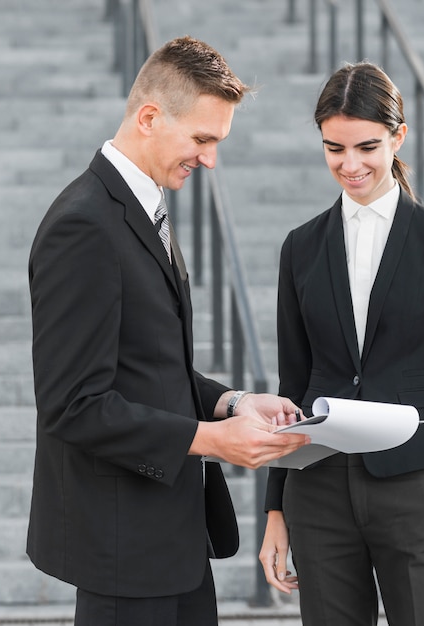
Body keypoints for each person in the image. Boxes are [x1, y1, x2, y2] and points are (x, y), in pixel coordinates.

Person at [26, 35, 309, 626]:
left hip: (172, 545)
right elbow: (74, 405)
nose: (209, 160)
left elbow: (150, 365)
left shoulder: (141, 206)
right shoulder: (83, 225)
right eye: (202, 139)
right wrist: (211, 440)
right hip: (123, 552)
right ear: (150, 118)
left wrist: (232, 403)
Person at [259, 62, 424, 626]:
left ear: (398, 137)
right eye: (333, 148)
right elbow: (291, 388)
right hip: (318, 491)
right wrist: (276, 507)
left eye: (367, 146)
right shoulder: (299, 247)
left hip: (416, 487)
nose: (350, 165)